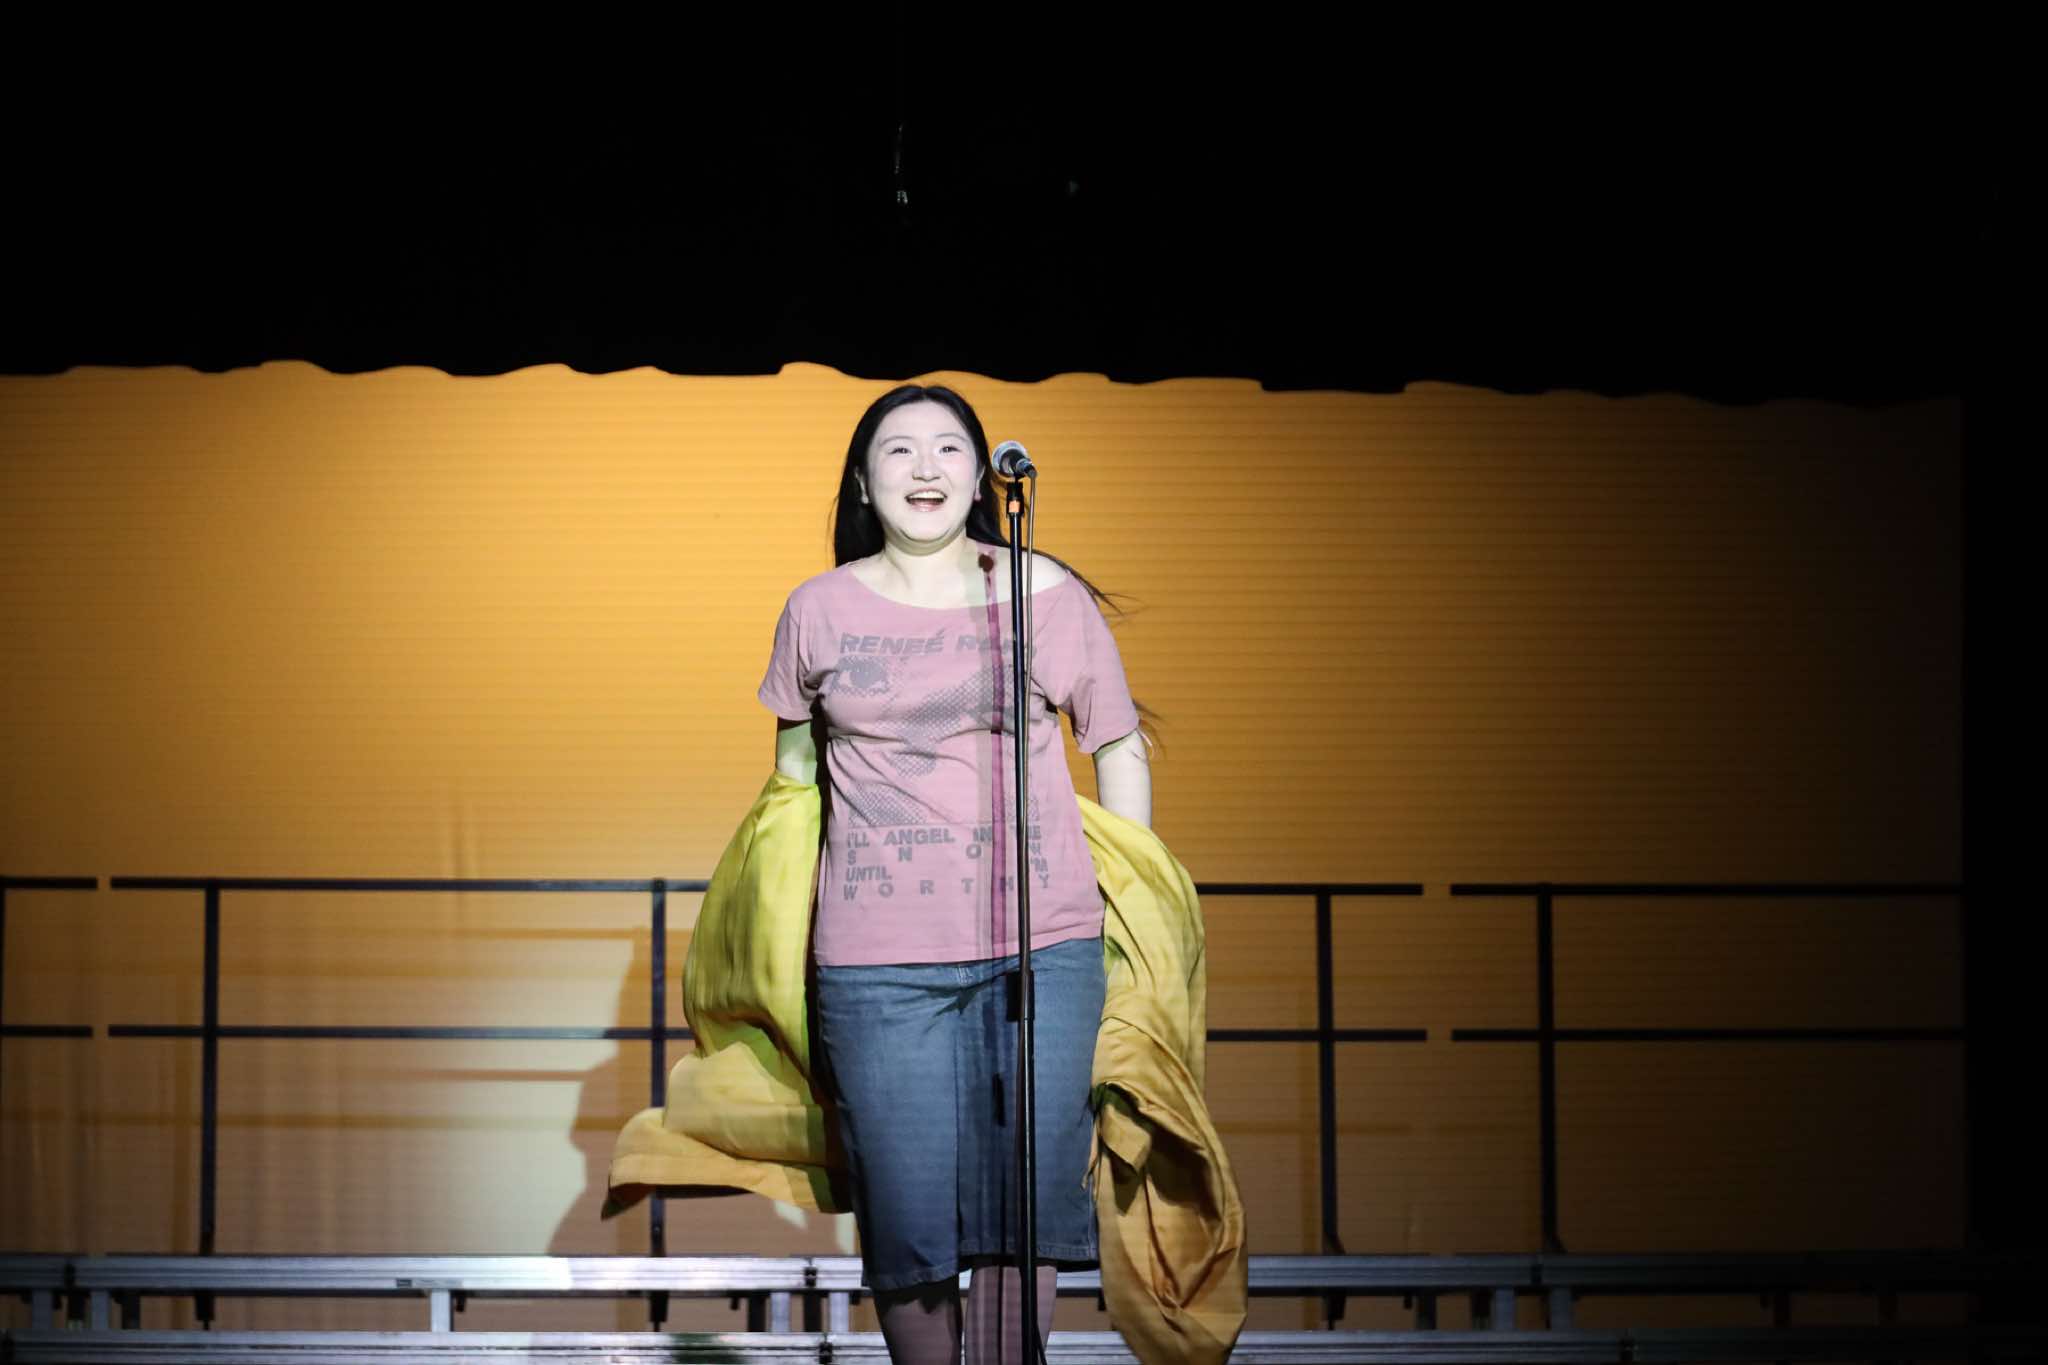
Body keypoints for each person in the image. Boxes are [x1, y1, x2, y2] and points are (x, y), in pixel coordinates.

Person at [757, 383, 1152, 1365]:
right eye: (898, 450)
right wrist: (769, 932)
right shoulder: (817, 608)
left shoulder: (1042, 591)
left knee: (1025, 1216)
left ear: (982, 478)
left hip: (1041, 949)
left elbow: (1117, 744)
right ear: (863, 482)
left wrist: (1130, 901)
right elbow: (792, 787)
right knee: (907, 1228)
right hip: (873, 966)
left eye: (947, 447)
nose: (924, 467)